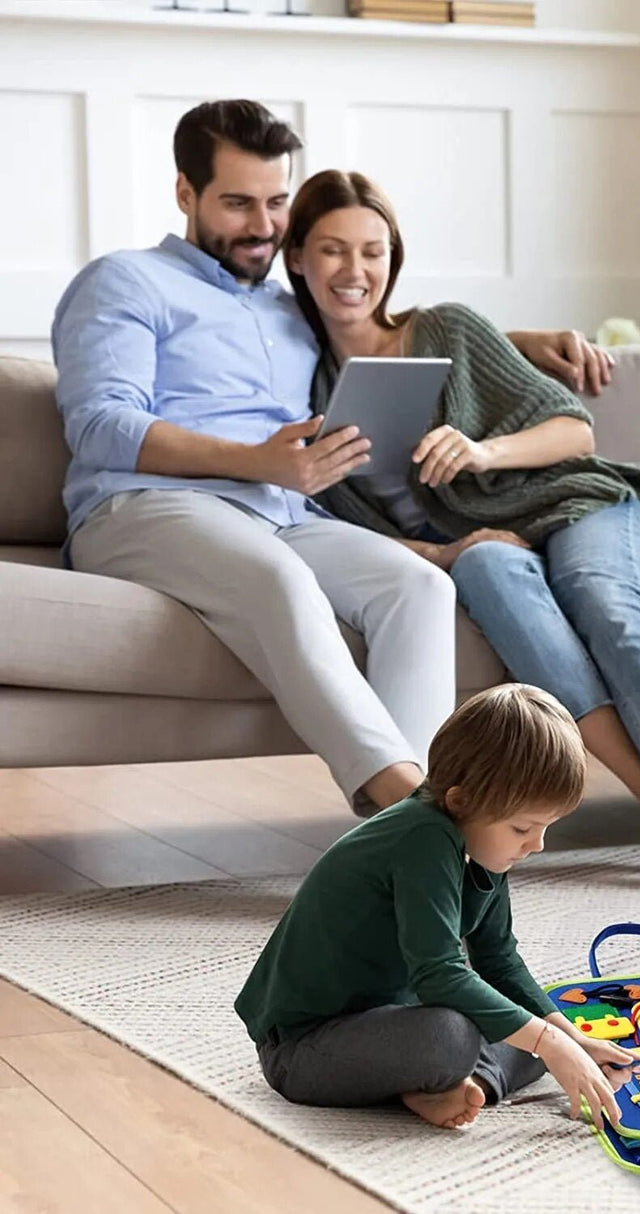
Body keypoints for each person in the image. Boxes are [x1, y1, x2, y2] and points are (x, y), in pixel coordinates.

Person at [51, 99, 611, 818]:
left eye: (277, 202)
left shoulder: (289, 307)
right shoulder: (125, 281)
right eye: (236, 203)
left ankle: (402, 840)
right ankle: (420, 818)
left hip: (281, 511)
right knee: (281, 582)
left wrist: (524, 342)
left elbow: (378, 321)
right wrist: (257, 460)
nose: (261, 225)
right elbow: (99, 423)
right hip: (145, 508)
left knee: (420, 589)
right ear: (185, 193)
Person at [283, 170, 640, 899]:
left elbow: (574, 429)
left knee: (607, 605)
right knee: (484, 575)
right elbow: (332, 526)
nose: (356, 272)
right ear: (297, 259)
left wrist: (480, 452)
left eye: (373, 251)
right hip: (479, 546)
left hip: (572, 504)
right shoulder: (301, 386)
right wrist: (446, 551)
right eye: (333, 251)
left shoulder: (445, 328)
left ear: (393, 257)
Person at [235, 683, 639, 1130]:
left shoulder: (477, 836)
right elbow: (439, 973)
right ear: (461, 800)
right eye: (524, 826)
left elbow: (499, 960)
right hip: (302, 1048)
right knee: (457, 1037)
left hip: (389, 1022)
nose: (538, 844)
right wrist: (549, 1043)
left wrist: (567, 1038)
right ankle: (445, 1076)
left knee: (538, 1022)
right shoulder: (422, 836)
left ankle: (462, 1087)